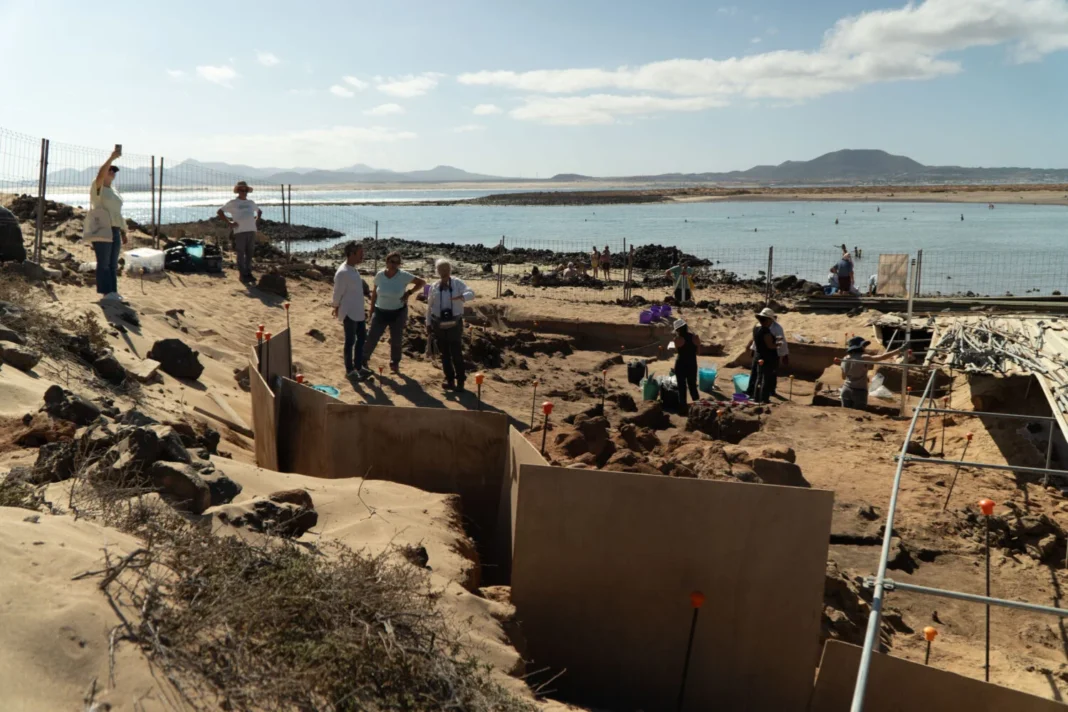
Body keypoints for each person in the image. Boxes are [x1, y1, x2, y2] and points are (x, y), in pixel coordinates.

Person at [364, 252, 425, 373]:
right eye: (392, 261)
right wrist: (371, 310)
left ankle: (395, 363)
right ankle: (363, 359)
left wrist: (409, 293)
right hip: (380, 311)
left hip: (398, 312)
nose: (394, 265)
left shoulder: (403, 275)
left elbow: (421, 282)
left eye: (397, 262)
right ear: (387, 262)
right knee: (372, 337)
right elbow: (374, 293)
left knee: (396, 339)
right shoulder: (380, 275)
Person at [426, 259, 475, 391]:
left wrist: (461, 297)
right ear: (437, 271)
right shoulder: (434, 286)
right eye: (441, 269)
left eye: (446, 268)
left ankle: (460, 381)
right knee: (444, 354)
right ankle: (449, 380)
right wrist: (428, 323)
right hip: (438, 324)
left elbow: (471, 293)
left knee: (456, 353)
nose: (444, 271)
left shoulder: (457, 283)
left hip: (455, 324)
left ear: (450, 270)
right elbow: (429, 306)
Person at [89, 147, 128, 302]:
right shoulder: (97, 186)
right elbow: (100, 174)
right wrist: (111, 158)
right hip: (102, 227)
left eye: (114, 171)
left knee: (113, 263)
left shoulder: (113, 190)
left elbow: (117, 213)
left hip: (115, 228)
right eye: (110, 170)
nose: (112, 172)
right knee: (104, 262)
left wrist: (123, 231)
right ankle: (106, 293)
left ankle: (113, 291)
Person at [332, 241, 372, 380]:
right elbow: (337, 293)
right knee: (350, 342)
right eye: (360, 253)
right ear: (351, 254)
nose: (362, 256)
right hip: (349, 312)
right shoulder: (343, 272)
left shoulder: (353, 269)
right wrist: (335, 306)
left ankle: (359, 367)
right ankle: (350, 370)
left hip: (358, 311)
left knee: (361, 339)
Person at [218, 181, 262, 283]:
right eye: (242, 190)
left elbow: (259, 211)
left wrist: (256, 220)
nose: (244, 192)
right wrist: (229, 223)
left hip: (251, 230)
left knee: (250, 253)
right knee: (241, 253)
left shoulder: (250, 203)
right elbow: (220, 212)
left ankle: (248, 273)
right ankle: (242, 274)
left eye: (245, 190)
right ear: (238, 191)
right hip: (240, 231)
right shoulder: (233, 203)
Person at [840, 337, 901, 410]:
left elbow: (843, 377)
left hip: (846, 390)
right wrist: (898, 350)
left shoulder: (845, 358)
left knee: (846, 413)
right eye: (864, 346)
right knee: (858, 414)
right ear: (859, 347)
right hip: (859, 392)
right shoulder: (864, 357)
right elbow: (882, 357)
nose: (865, 348)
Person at [745, 307, 789, 399]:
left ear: (770, 319)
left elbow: (781, 342)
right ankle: (752, 391)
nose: (762, 320)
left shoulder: (777, 328)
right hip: (760, 353)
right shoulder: (758, 326)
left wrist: (784, 354)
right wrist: (753, 349)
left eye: (764, 319)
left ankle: (770, 391)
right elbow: (756, 339)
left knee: (770, 375)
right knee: (755, 373)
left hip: (772, 355)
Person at [672, 318, 701, 410]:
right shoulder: (695, 337)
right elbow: (698, 352)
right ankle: (698, 407)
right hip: (692, 363)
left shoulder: (677, 339)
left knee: (681, 387)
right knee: (692, 385)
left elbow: (677, 351)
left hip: (680, 364)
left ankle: (682, 408)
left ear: (678, 329)